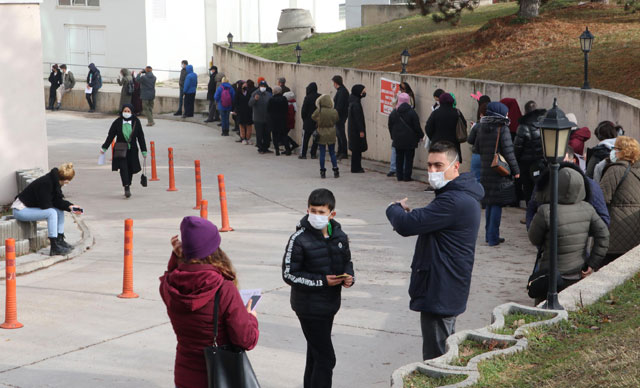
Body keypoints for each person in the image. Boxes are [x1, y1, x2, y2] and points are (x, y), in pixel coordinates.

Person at [386, 141, 483, 360]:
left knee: (437, 359)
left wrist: (393, 208)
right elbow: (428, 218)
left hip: (441, 289)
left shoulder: (454, 200)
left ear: (455, 166)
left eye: (439, 166)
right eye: (429, 165)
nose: (432, 171)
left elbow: (407, 225)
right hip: (446, 286)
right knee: (446, 351)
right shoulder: (458, 196)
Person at [161, 216, 259, 388]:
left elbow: (171, 273)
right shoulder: (223, 289)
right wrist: (251, 317)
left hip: (185, 374)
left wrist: (176, 258)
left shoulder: (168, 285)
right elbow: (245, 340)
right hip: (218, 375)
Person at [282, 188, 354, 388]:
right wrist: (322, 281)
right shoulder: (299, 239)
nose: (316, 216)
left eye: (321, 212)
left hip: (329, 306)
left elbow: (347, 262)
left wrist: (349, 277)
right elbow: (289, 274)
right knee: (326, 358)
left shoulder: (339, 236)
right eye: (312, 211)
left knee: (315, 354)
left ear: (332, 214)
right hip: (308, 308)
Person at [528, 166, 609, 298]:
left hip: (550, 274)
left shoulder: (545, 210)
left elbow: (534, 239)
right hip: (577, 272)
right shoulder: (588, 209)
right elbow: (604, 236)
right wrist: (592, 263)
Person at [474, 101, 520, 246]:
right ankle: (493, 237)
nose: (507, 115)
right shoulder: (502, 129)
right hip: (498, 171)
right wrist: (516, 170)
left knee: (489, 203)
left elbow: (477, 148)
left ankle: (489, 234)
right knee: (497, 204)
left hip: (486, 168)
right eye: (505, 112)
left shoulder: (481, 126)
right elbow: (508, 151)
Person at [11, 163, 83, 256]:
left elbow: (57, 200)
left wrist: (70, 207)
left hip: (29, 208)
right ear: (66, 180)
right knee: (52, 212)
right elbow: (45, 205)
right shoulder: (46, 183)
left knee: (59, 211)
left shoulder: (55, 181)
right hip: (20, 210)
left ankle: (60, 240)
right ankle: (54, 247)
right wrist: (59, 204)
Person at [599, 136, 640, 265]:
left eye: (615, 148)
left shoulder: (616, 169)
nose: (612, 151)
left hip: (614, 235)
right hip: (634, 233)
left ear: (622, 151)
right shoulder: (637, 170)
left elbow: (601, 199)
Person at [100, 104, 148, 198]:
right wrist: (104, 147)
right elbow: (111, 136)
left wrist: (144, 150)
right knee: (123, 168)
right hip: (120, 150)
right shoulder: (117, 122)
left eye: (128, 111)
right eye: (125, 111)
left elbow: (140, 137)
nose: (126, 113)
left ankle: (128, 183)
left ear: (132, 112)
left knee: (130, 168)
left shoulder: (136, 122)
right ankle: (126, 186)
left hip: (132, 150)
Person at [513, 100, 546, 205]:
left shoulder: (523, 127)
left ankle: (529, 210)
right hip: (540, 161)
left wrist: (514, 161)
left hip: (525, 163)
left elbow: (518, 147)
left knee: (528, 187)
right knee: (539, 186)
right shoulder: (543, 124)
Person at [388, 93, 424, 182]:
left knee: (399, 158)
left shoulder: (394, 112)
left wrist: (393, 136)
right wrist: (421, 135)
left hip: (397, 139)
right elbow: (416, 126)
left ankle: (399, 176)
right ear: (408, 100)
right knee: (409, 159)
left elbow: (390, 125)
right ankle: (407, 177)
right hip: (410, 140)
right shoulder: (412, 112)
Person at [425, 93, 466, 163]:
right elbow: (464, 125)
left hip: (437, 145)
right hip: (453, 145)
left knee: (438, 166)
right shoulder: (457, 113)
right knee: (450, 166)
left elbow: (428, 128)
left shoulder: (436, 113)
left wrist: (434, 138)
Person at [312, 94, 340, 178]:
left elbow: (313, 117)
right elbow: (337, 119)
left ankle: (322, 171)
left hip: (321, 132)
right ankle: (335, 169)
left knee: (322, 153)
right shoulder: (333, 111)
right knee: (332, 153)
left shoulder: (319, 111)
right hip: (331, 132)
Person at [467, 95, 491, 183]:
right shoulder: (499, 127)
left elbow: (470, 140)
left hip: (478, 154)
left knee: (475, 179)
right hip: (491, 155)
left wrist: (473, 128)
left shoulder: (478, 126)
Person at [249, 80, 273, 154]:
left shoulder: (268, 94)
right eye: (262, 86)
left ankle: (266, 147)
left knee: (267, 134)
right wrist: (254, 99)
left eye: (264, 86)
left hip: (267, 118)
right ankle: (260, 148)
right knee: (259, 134)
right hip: (258, 118)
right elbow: (250, 103)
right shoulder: (255, 93)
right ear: (259, 86)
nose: (263, 87)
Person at [267, 86, 290, 155]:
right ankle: (288, 150)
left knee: (275, 135)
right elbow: (286, 109)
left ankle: (277, 150)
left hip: (274, 120)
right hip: (283, 119)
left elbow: (268, 110)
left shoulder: (271, 99)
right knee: (284, 135)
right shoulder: (284, 99)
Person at [300, 82, 320, 159]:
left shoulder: (307, 98)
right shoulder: (320, 97)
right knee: (316, 139)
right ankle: (313, 154)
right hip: (317, 122)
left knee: (305, 139)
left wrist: (304, 119)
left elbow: (303, 110)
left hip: (308, 121)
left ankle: (303, 154)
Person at [332, 75, 350, 160]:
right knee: (339, 134)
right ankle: (340, 151)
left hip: (340, 116)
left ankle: (343, 152)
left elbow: (340, 106)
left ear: (336, 83)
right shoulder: (341, 91)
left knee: (341, 134)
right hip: (339, 116)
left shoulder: (342, 91)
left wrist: (335, 114)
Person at [234, 80, 255, 145]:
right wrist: (236, 110)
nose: (245, 87)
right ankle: (243, 138)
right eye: (244, 85)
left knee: (249, 125)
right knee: (242, 125)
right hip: (241, 112)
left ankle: (248, 138)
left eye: (246, 86)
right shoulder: (238, 93)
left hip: (248, 111)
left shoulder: (249, 92)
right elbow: (236, 102)